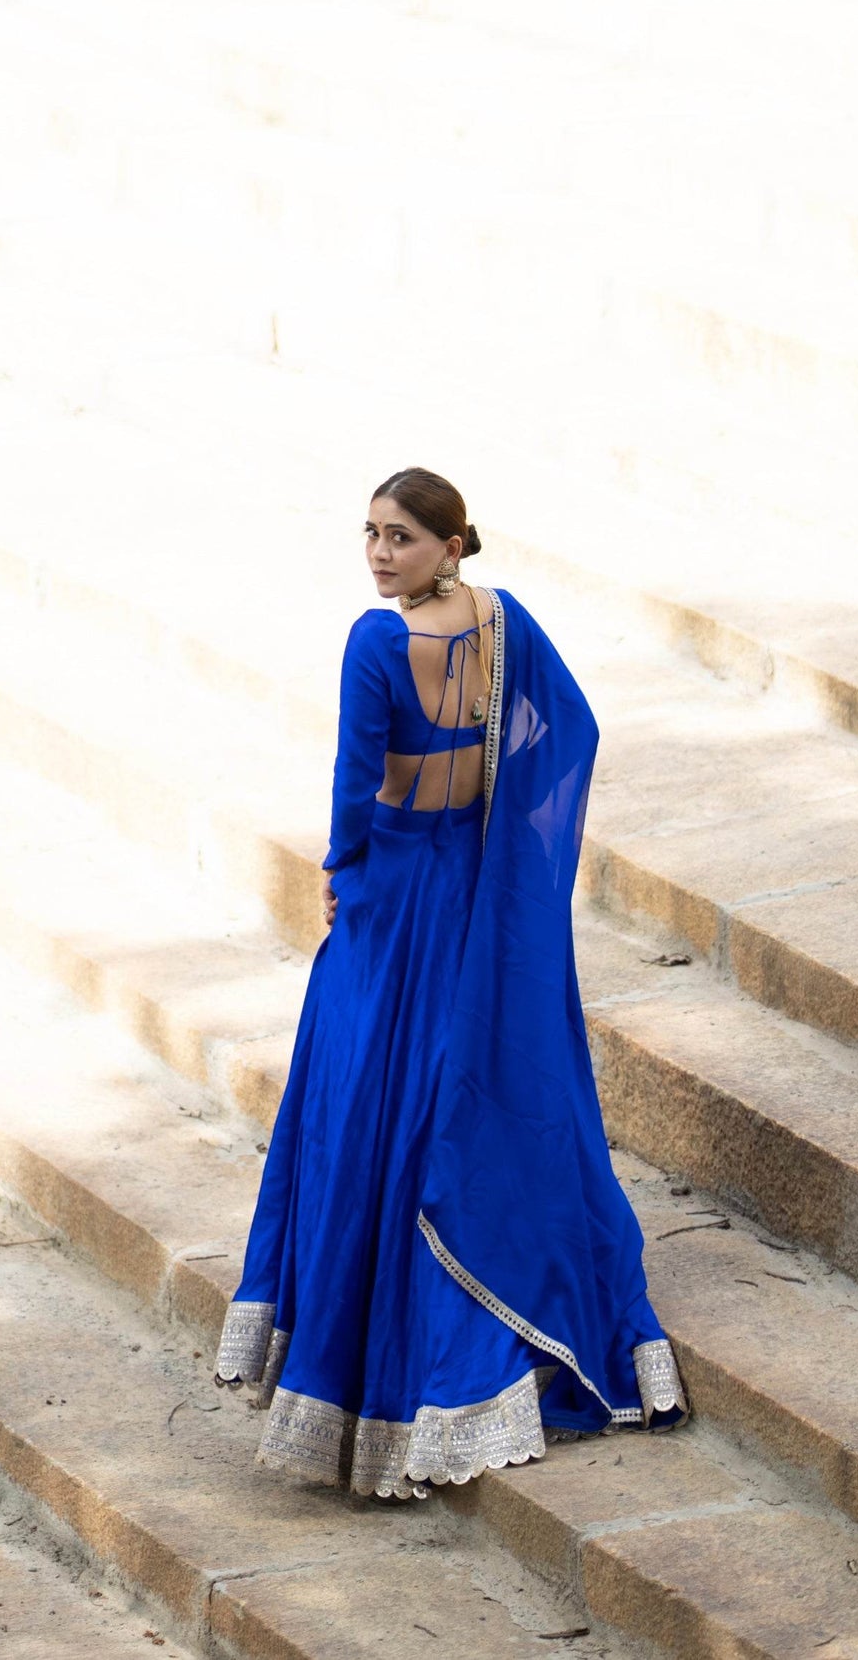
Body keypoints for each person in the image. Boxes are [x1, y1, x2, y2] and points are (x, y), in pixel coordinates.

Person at [215, 467, 683, 1499]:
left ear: (450, 543)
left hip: (400, 888)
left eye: (402, 539)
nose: (381, 555)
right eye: (371, 535)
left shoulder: (376, 642)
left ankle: (372, 1355)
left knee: (360, 1096)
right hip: (476, 882)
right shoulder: (503, 624)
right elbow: (570, 731)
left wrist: (338, 871)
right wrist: (523, 852)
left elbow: (354, 770)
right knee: (460, 1079)